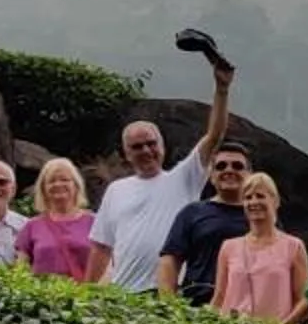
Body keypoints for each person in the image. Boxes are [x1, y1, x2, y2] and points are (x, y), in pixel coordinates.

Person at [85, 63, 235, 290]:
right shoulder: (116, 190)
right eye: (137, 147)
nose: (146, 151)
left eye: (151, 143)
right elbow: (101, 247)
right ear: (126, 154)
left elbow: (214, 137)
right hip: (123, 294)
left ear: (162, 146)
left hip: (168, 293)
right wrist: (86, 293)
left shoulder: (184, 179)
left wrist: (222, 90)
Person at [156, 140, 254, 305]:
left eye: (237, 166)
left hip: (248, 308)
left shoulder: (262, 216)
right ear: (211, 175)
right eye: (221, 166)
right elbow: (170, 260)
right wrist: (169, 306)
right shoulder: (192, 213)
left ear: (250, 175)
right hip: (199, 306)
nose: (229, 170)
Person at [208, 172, 308, 324]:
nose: (253, 202)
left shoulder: (294, 247)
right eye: (248, 197)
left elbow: (302, 299)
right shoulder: (228, 247)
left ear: (275, 201)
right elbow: (219, 297)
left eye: (260, 196)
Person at [16, 158, 96, 280]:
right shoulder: (31, 226)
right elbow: (20, 273)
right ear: (43, 189)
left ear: (76, 185)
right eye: (51, 181)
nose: (58, 184)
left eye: (65, 180)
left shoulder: (94, 222)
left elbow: (107, 267)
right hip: (44, 292)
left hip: (85, 291)